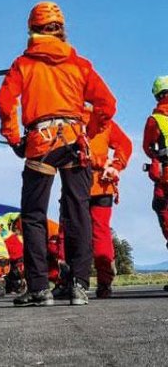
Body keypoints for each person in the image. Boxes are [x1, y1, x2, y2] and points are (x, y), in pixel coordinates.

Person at [0, 1, 116, 307]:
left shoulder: (23, 64)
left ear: (31, 28)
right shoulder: (80, 64)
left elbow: (5, 101)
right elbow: (107, 104)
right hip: (75, 142)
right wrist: (89, 132)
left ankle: (39, 288)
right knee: (78, 213)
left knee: (34, 215)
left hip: (41, 142)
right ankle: (78, 285)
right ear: (61, 29)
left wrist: (13, 139)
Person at [84, 111, 132, 299]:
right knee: (101, 233)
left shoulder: (71, 120)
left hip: (78, 184)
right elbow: (125, 144)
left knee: (70, 232)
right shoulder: (105, 122)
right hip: (104, 185)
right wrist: (116, 165)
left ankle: (72, 281)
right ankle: (104, 283)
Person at [143, 75, 168, 290]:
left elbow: (147, 146)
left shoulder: (156, 119)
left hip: (166, 175)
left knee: (164, 212)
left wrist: (156, 157)